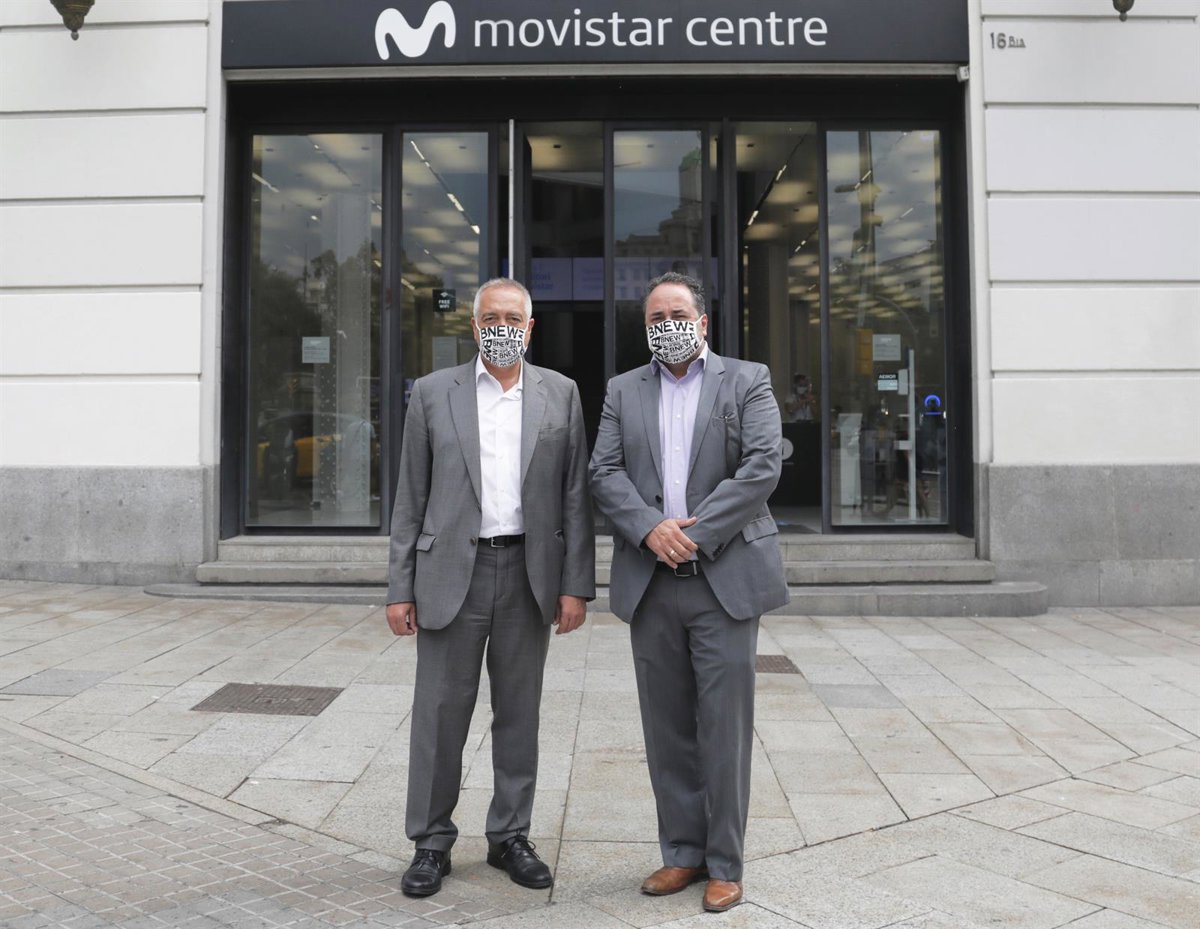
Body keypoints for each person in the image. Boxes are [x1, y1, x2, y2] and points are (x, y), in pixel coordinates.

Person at [385, 277, 595, 898]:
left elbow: (576, 497)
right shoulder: (432, 392)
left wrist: (576, 584)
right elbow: (410, 496)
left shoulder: (561, 393)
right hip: (451, 573)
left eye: (513, 318)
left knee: (519, 712)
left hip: (529, 573)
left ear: (530, 328)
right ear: (474, 326)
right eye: (491, 317)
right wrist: (399, 587)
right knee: (440, 713)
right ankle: (430, 841)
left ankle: (510, 835)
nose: (502, 327)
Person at [588, 271, 788, 913]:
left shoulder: (747, 380)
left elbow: (762, 466)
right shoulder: (623, 389)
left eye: (678, 314)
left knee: (724, 727)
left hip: (722, 579)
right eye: (656, 317)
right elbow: (604, 471)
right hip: (651, 581)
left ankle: (725, 862)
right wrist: (651, 529)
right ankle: (682, 853)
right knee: (666, 726)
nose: (667, 325)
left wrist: (692, 536)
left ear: (702, 322)